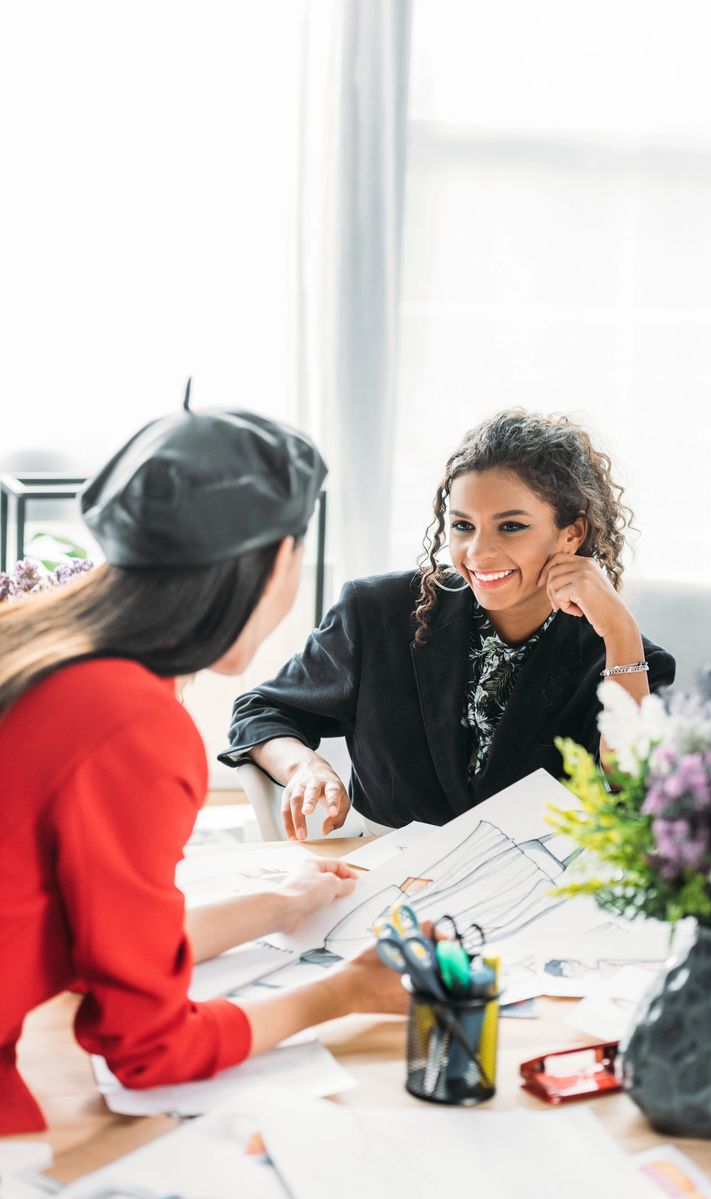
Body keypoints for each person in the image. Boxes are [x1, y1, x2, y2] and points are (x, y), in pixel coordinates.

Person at [0, 399, 403, 1135]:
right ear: (280, 560)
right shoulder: (130, 722)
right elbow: (150, 1048)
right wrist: (344, 993)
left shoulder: (29, 639)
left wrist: (282, 904)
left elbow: (105, 944)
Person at [221, 409, 676, 839]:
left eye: (511, 526)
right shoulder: (376, 611)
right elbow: (261, 712)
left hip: (536, 882)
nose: (478, 553)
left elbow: (635, 790)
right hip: (381, 871)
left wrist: (620, 631)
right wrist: (304, 766)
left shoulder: (620, 653)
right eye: (462, 526)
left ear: (571, 533)